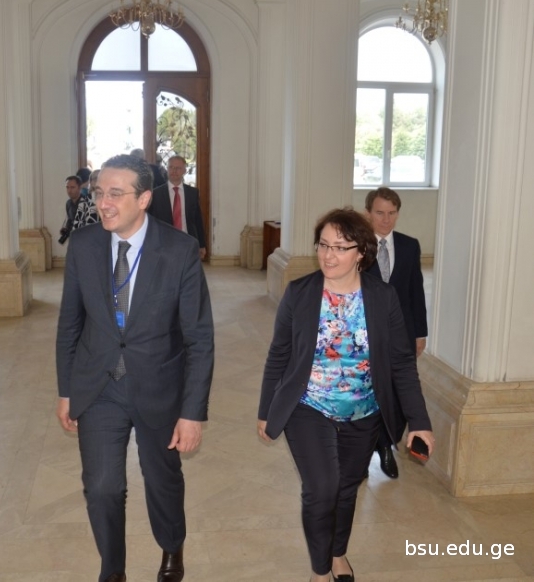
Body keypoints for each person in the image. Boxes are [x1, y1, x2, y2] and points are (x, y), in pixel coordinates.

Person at [56, 154, 214, 582]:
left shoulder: (179, 250)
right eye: (98, 193)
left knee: (162, 478)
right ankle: (113, 570)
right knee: (102, 486)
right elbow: (69, 324)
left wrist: (192, 412)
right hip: (99, 385)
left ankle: (172, 545)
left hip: (159, 386)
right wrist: (66, 390)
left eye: (115, 193)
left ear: (144, 199)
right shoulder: (84, 245)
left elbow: (199, 338)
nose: (103, 203)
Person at [257, 207, 434, 582]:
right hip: (308, 406)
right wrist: (266, 409)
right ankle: (320, 571)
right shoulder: (300, 293)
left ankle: (338, 553)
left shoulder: (383, 297)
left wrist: (420, 422)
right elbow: (279, 355)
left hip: (364, 411)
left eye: (340, 247)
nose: (328, 255)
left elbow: (401, 364)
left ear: (361, 252)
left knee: (347, 488)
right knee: (322, 488)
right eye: (323, 245)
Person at [365, 186, 428, 479]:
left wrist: (420, 333)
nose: (386, 219)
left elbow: (416, 292)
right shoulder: (357, 246)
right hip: (366, 332)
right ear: (368, 213)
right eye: (380, 213)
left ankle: (386, 444)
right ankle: (364, 449)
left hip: (401, 333)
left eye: (392, 213)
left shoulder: (409, 246)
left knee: (400, 395)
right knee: (368, 391)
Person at [148, 155, 207, 260]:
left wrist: (202, 244)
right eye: (171, 167)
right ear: (167, 169)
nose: (174, 171)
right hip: (164, 242)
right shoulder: (156, 194)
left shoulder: (192, 193)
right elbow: (150, 221)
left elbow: (197, 220)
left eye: (178, 168)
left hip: (187, 240)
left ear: (184, 170)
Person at [60, 175, 97, 243]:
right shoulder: (68, 203)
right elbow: (69, 220)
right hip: (74, 239)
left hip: (86, 240)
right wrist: (66, 229)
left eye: (72, 187)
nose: (69, 190)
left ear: (79, 188)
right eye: (67, 187)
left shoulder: (87, 203)